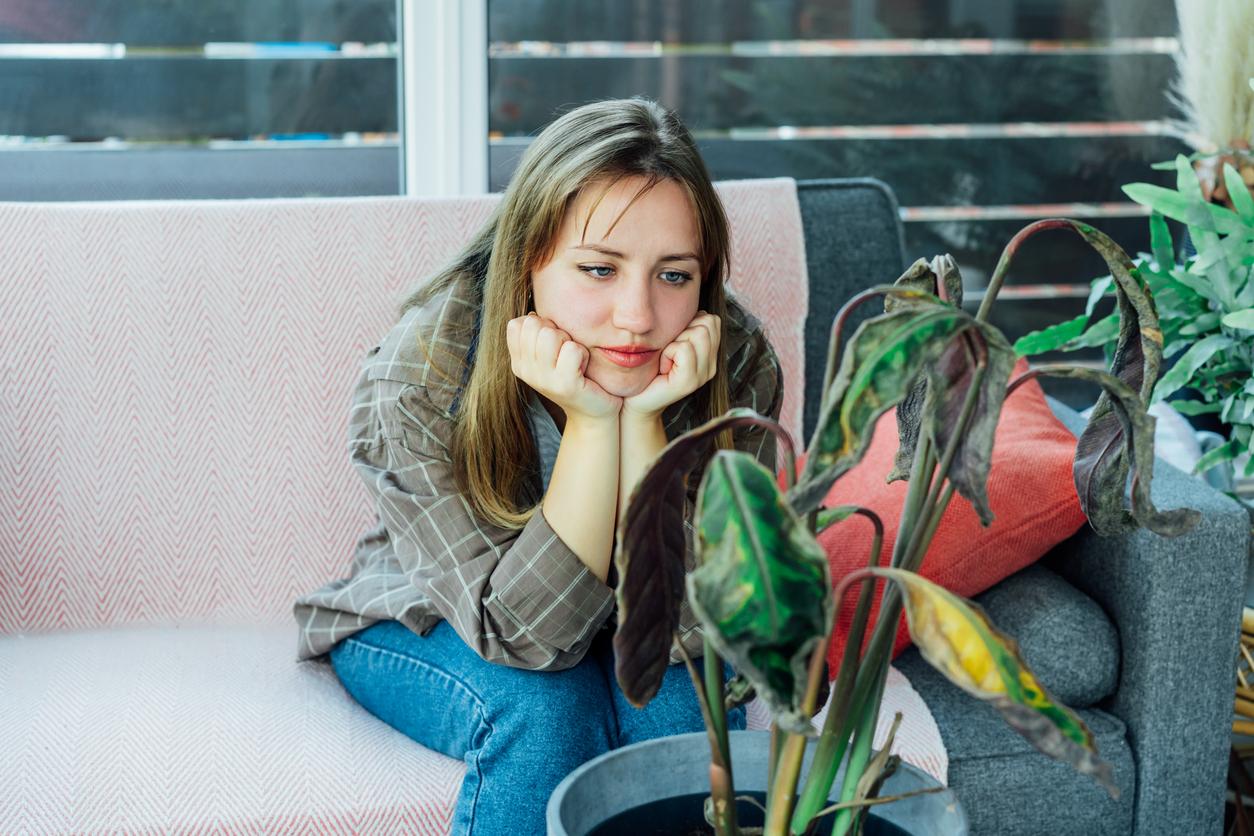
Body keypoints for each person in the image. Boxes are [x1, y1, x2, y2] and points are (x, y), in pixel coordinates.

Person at [294, 97, 782, 836]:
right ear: (529, 259)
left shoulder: (732, 358)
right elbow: (523, 639)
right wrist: (592, 427)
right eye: (598, 269)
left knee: (686, 711)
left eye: (673, 276)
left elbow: (696, 631)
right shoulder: (420, 373)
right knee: (549, 713)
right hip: (428, 615)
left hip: (616, 624)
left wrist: (645, 420)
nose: (638, 317)